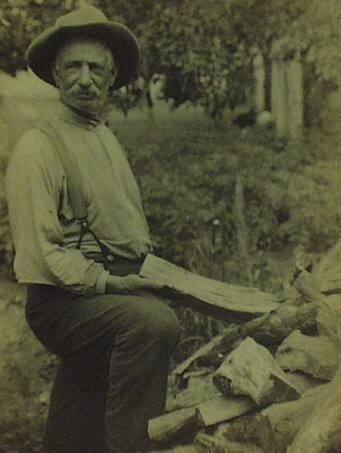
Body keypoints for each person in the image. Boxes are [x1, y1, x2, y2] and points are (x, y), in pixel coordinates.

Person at [5, 6, 180, 452]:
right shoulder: (38, 147)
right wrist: (110, 282)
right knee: (152, 325)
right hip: (61, 300)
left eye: (95, 68)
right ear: (56, 75)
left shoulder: (102, 136)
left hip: (105, 288)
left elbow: (120, 221)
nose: (85, 78)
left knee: (77, 411)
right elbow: (41, 252)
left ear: (111, 74)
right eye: (74, 67)